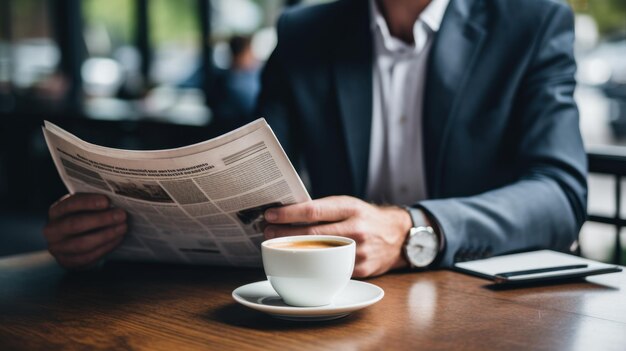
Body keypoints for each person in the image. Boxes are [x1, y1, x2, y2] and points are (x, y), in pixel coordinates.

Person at [43, 0, 587, 277]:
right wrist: (114, 236)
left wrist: (413, 229)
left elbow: (560, 194)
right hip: (334, 303)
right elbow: (236, 177)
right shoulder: (306, 31)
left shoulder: (532, 20)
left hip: (480, 308)